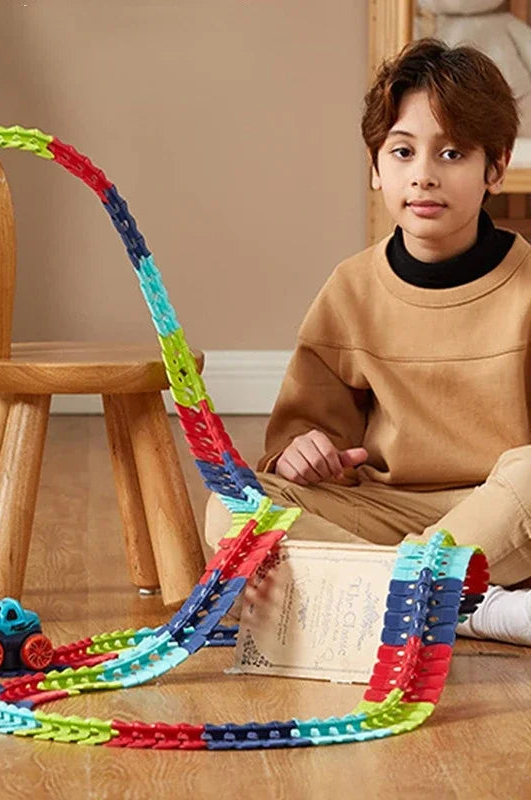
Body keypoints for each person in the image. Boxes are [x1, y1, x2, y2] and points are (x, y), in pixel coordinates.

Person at [205, 38, 531, 646]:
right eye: (402, 152)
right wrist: (306, 449)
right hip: (386, 514)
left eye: (453, 152)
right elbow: (298, 449)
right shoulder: (351, 288)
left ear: (496, 166)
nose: (424, 175)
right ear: (376, 168)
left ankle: (376, 594)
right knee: (235, 507)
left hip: (502, 521)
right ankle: (458, 604)